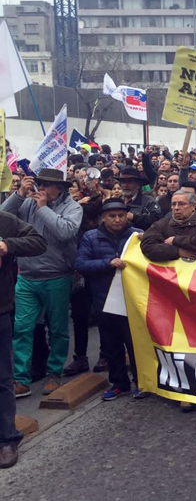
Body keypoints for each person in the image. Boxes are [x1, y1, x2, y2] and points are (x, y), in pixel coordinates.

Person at [2, 169, 83, 397]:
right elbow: (2, 217)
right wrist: (19, 194)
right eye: (40, 183)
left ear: (60, 188)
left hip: (57, 276)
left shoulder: (73, 208)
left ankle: (54, 373)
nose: (42, 188)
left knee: (57, 329)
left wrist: (44, 209)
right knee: (22, 329)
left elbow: (65, 232)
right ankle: (21, 379)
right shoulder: (27, 203)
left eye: (47, 184)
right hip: (27, 276)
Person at [74, 198, 144, 401]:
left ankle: (141, 382)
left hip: (132, 301)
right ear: (103, 218)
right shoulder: (90, 237)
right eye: (112, 216)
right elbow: (81, 264)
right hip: (104, 302)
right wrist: (108, 263)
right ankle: (119, 383)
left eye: (121, 215)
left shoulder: (136, 235)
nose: (117, 220)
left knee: (136, 345)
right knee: (111, 346)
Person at [0, 211, 47, 468]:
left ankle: (6, 438)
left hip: (0, 310)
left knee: (3, 378)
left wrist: (8, 245)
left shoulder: (5, 220)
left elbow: (38, 242)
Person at [140, 189, 196, 262]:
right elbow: (147, 246)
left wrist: (175, 240)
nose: (176, 208)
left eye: (181, 204)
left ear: (193, 206)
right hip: (170, 275)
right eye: (173, 204)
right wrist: (177, 251)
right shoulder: (162, 224)